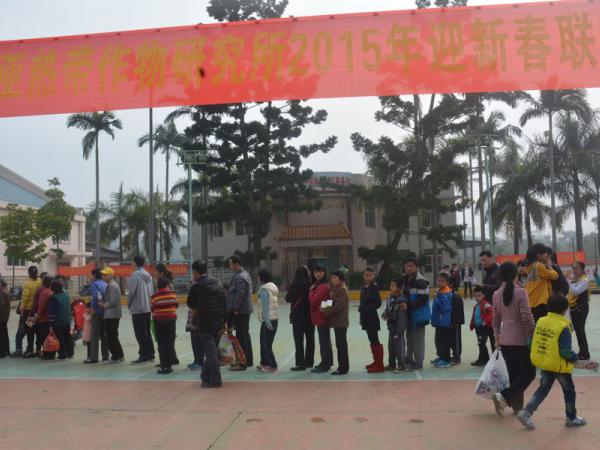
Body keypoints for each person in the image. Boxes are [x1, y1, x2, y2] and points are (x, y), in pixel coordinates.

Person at [517, 294, 587, 430]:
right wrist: (575, 359)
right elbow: (565, 351)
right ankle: (571, 418)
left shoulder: (541, 321)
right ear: (565, 310)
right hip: (560, 366)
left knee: (542, 389)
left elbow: (531, 342)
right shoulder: (564, 326)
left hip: (546, 363)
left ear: (548, 307)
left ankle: (526, 412)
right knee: (569, 391)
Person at [492, 262, 536, 417]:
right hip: (521, 340)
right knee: (529, 373)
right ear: (515, 274)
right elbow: (527, 317)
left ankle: (517, 407)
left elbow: (495, 319)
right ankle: (504, 397)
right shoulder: (521, 292)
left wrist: (497, 337)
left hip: (505, 339)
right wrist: (532, 333)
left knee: (514, 374)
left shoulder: (496, 294)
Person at [187, 261, 226, 388]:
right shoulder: (218, 283)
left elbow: (193, 307)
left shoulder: (196, 288)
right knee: (211, 351)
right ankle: (205, 376)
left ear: (196, 272)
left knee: (210, 353)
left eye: (193, 272)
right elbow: (224, 303)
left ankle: (215, 379)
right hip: (218, 321)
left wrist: (193, 322)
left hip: (204, 323)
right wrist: (224, 322)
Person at [225, 255, 253, 371]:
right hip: (243, 310)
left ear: (236, 264)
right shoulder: (242, 274)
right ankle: (247, 360)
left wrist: (235, 308)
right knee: (244, 334)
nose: (230, 266)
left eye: (231, 264)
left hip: (241, 311)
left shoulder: (240, 277)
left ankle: (242, 363)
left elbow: (241, 294)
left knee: (241, 336)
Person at [403, 259, 430, 371]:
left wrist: (408, 305)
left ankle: (419, 362)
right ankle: (409, 360)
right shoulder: (405, 280)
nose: (409, 268)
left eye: (411, 266)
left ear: (416, 268)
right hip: (409, 315)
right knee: (409, 338)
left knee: (418, 340)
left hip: (419, 316)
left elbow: (422, 300)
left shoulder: (421, 282)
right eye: (407, 266)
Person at [285, 265, 314, 371]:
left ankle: (300, 363)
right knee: (310, 339)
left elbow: (287, 298)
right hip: (309, 316)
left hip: (297, 316)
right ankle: (309, 361)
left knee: (298, 340)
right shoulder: (311, 285)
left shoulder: (293, 285)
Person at [127, 256, 155, 364]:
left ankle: (144, 355)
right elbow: (151, 291)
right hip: (147, 307)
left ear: (135, 263)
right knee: (147, 332)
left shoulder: (135, 275)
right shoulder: (148, 275)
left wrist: (129, 304)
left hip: (138, 308)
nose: (131, 264)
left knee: (140, 333)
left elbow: (131, 292)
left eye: (132, 262)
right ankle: (150, 354)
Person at [322, 270, 350, 375]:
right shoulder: (335, 288)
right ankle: (341, 366)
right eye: (332, 278)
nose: (332, 280)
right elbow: (331, 301)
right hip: (337, 322)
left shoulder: (342, 290)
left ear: (341, 279)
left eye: (335, 278)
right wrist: (324, 306)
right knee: (339, 345)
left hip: (341, 322)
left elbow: (337, 307)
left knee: (342, 345)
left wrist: (325, 311)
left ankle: (343, 368)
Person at [12, 266, 41, 358]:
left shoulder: (28, 283)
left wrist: (22, 309)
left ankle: (19, 349)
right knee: (34, 331)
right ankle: (35, 349)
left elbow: (25, 298)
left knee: (22, 330)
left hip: (27, 311)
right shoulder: (40, 282)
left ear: (29, 273)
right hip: (36, 310)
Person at [151, 277, 178, 374]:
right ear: (167, 285)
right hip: (170, 321)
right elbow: (176, 305)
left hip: (159, 321)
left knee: (161, 344)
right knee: (170, 344)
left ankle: (163, 367)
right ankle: (169, 367)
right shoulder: (172, 294)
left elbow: (152, 308)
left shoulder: (154, 296)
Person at [524, 244, 558, 322]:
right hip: (540, 301)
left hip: (531, 300)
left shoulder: (530, 265)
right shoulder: (539, 266)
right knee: (542, 324)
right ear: (539, 254)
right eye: (545, 253)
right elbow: (555, 276)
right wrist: (549, 267)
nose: (547, 255)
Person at [309, 265, 333, 373]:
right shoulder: (319, 285)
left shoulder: (323, 287)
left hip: (322, 318)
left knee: (324, 342)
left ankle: (325, 364)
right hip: (321, 316)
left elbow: (314, 301)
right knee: (325, 341)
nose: (318, 274)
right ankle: (328, 362)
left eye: (320, 271)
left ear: (324, 273)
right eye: (316, 272)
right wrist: (325, 307)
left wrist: (311, 292)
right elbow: (327, 301)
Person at [359, 267, 383, 373]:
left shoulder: (374, 287)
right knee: (371, 339)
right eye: (366, 275)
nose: (368, 277)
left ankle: (379, 365)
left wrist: (366, 308)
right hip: (365, 318)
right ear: (363, 276)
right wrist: (361, 315)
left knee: (374, 339)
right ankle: (376, 361)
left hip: (372, 318)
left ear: (373, 276)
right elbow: (362, 302)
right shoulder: (364, 287)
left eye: (370, 275)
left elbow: (378, 303)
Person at [382, 278, 408, 373]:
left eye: (393, 286)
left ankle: (401, 364)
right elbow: (388, 309)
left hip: (398, 328)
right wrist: (385, 314)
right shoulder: (390, 297)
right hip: (391, 326)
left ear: (399, 288)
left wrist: (399, 330)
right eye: (391, 285)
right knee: (391, 347)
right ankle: (392, 364)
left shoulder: (402, 301)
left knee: (399, 347)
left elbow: (402, 318)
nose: (391, 287)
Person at [256, 269, 279, 373]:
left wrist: (267, 322)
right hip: (273, 319)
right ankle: (264, 362)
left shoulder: (264, 290)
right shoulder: (272, 288)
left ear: (261, 278)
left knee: (266, 344)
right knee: (263, 342)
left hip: (268, 320)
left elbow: (265, 307)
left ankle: (272, 365)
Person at [100, 267, 124, 363]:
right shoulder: (110, 285)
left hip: (112, 315)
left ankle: (115, 356)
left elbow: (113, 301)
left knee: (111, 336)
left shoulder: (112, 286)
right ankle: (119, 355)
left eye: (105, 275)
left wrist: (104, 305)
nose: (103, 276)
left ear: (111, 275)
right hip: (112, 314)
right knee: (113, 336)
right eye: (102, 274)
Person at [431, 273, 454, 369]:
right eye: (439, 280)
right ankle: (441, 357)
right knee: (439, 341)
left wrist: (436, 298)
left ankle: (447, 360)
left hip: (444, 322)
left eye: (442, 281)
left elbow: (445, 308)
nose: (440, 282)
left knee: (444, 341)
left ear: (447, 283)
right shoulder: (440, 292)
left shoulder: (446, 293)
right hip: (439, 321)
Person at [568, 262, 590, 361]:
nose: (574, 270)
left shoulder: (585, 280)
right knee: (578, 331)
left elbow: (576, 291)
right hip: (574, 308)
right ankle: (582, 352)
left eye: (576, 268)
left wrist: (571, 282)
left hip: (581, 308)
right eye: (573, 268)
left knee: (580, 331)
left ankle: (585, 353)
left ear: (582, 269)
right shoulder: (576, 280)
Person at [86, 269, 109, 364]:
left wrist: (92, 310)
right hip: (105, 312)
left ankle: (93, 357)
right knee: (104, 336)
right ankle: (105, 357)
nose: (89, 276)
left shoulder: (95, 284)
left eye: (90, 275)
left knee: (94, 336)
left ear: (94, 275)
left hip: (97, 312)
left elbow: (95, 297)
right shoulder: (105, 284)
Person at [47, 279, 74, 360]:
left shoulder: (53, 298)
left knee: (59, 338)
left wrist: (50, 325)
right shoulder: (65, 295)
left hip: (57, 321)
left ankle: (62, 354)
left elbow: (51, 313)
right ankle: (70, 352)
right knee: (67, 336)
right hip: (66, 319)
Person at [469, 286, 495, 366]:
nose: (477, 298)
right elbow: (474, 316)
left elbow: (491, 314)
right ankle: (483, 359)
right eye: (475, 296)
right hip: (478, 328)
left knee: (483, 343)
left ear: (484, 295)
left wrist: (485, 322)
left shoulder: (486, 304)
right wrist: (472, 324)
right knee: (481, 343)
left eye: (479, 296)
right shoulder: (476, 306)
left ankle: (487, 360)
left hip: (485, 327)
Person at [33, 276, 52, 360]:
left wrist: (36, 316)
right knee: (50, 336)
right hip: (51, 318)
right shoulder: (52, 292)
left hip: (44, 318)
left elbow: (41, 307)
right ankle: (51, 353)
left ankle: (46, 353)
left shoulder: (44, 293)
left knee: (44, 337)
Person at [449, 285, 465, 365]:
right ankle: (454, 355)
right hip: (450, 322)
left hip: (455, 322)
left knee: (456, 339)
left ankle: (457, 357)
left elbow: (458, 311)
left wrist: (456, 322)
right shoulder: (449, 294)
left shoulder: (455, 296)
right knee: (452, 339)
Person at [0, 279, 11, 357]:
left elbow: (1, 304)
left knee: (1, 333)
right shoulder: (6, 291)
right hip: (5, 316)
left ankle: (1, 352)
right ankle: (6, 350)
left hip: (1, 316)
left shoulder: (1, 291)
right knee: (4, 333)